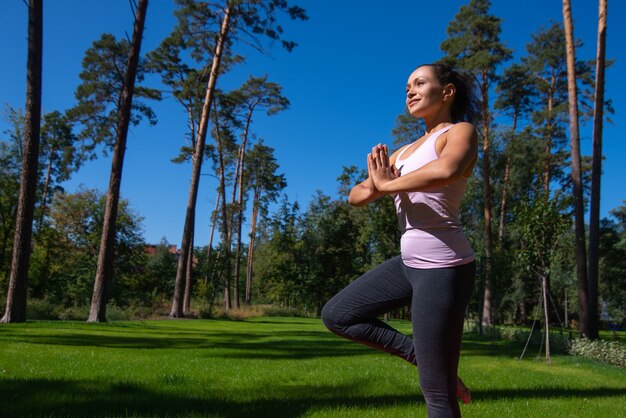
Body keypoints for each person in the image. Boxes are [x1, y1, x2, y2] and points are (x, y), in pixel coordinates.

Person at [321, 63, 478, 418]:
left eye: (420, 83)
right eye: (407, 85)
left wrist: (386, 184)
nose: (410, 90)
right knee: (338, 314)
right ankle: (426, 358)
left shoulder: (459, 132)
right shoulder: (403, 153)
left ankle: (436, 369)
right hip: (408, 264)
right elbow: (356, 194)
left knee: (437, 395)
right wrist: (378, 182)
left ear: (447, 92)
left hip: (444, 267)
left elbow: (446, 169)